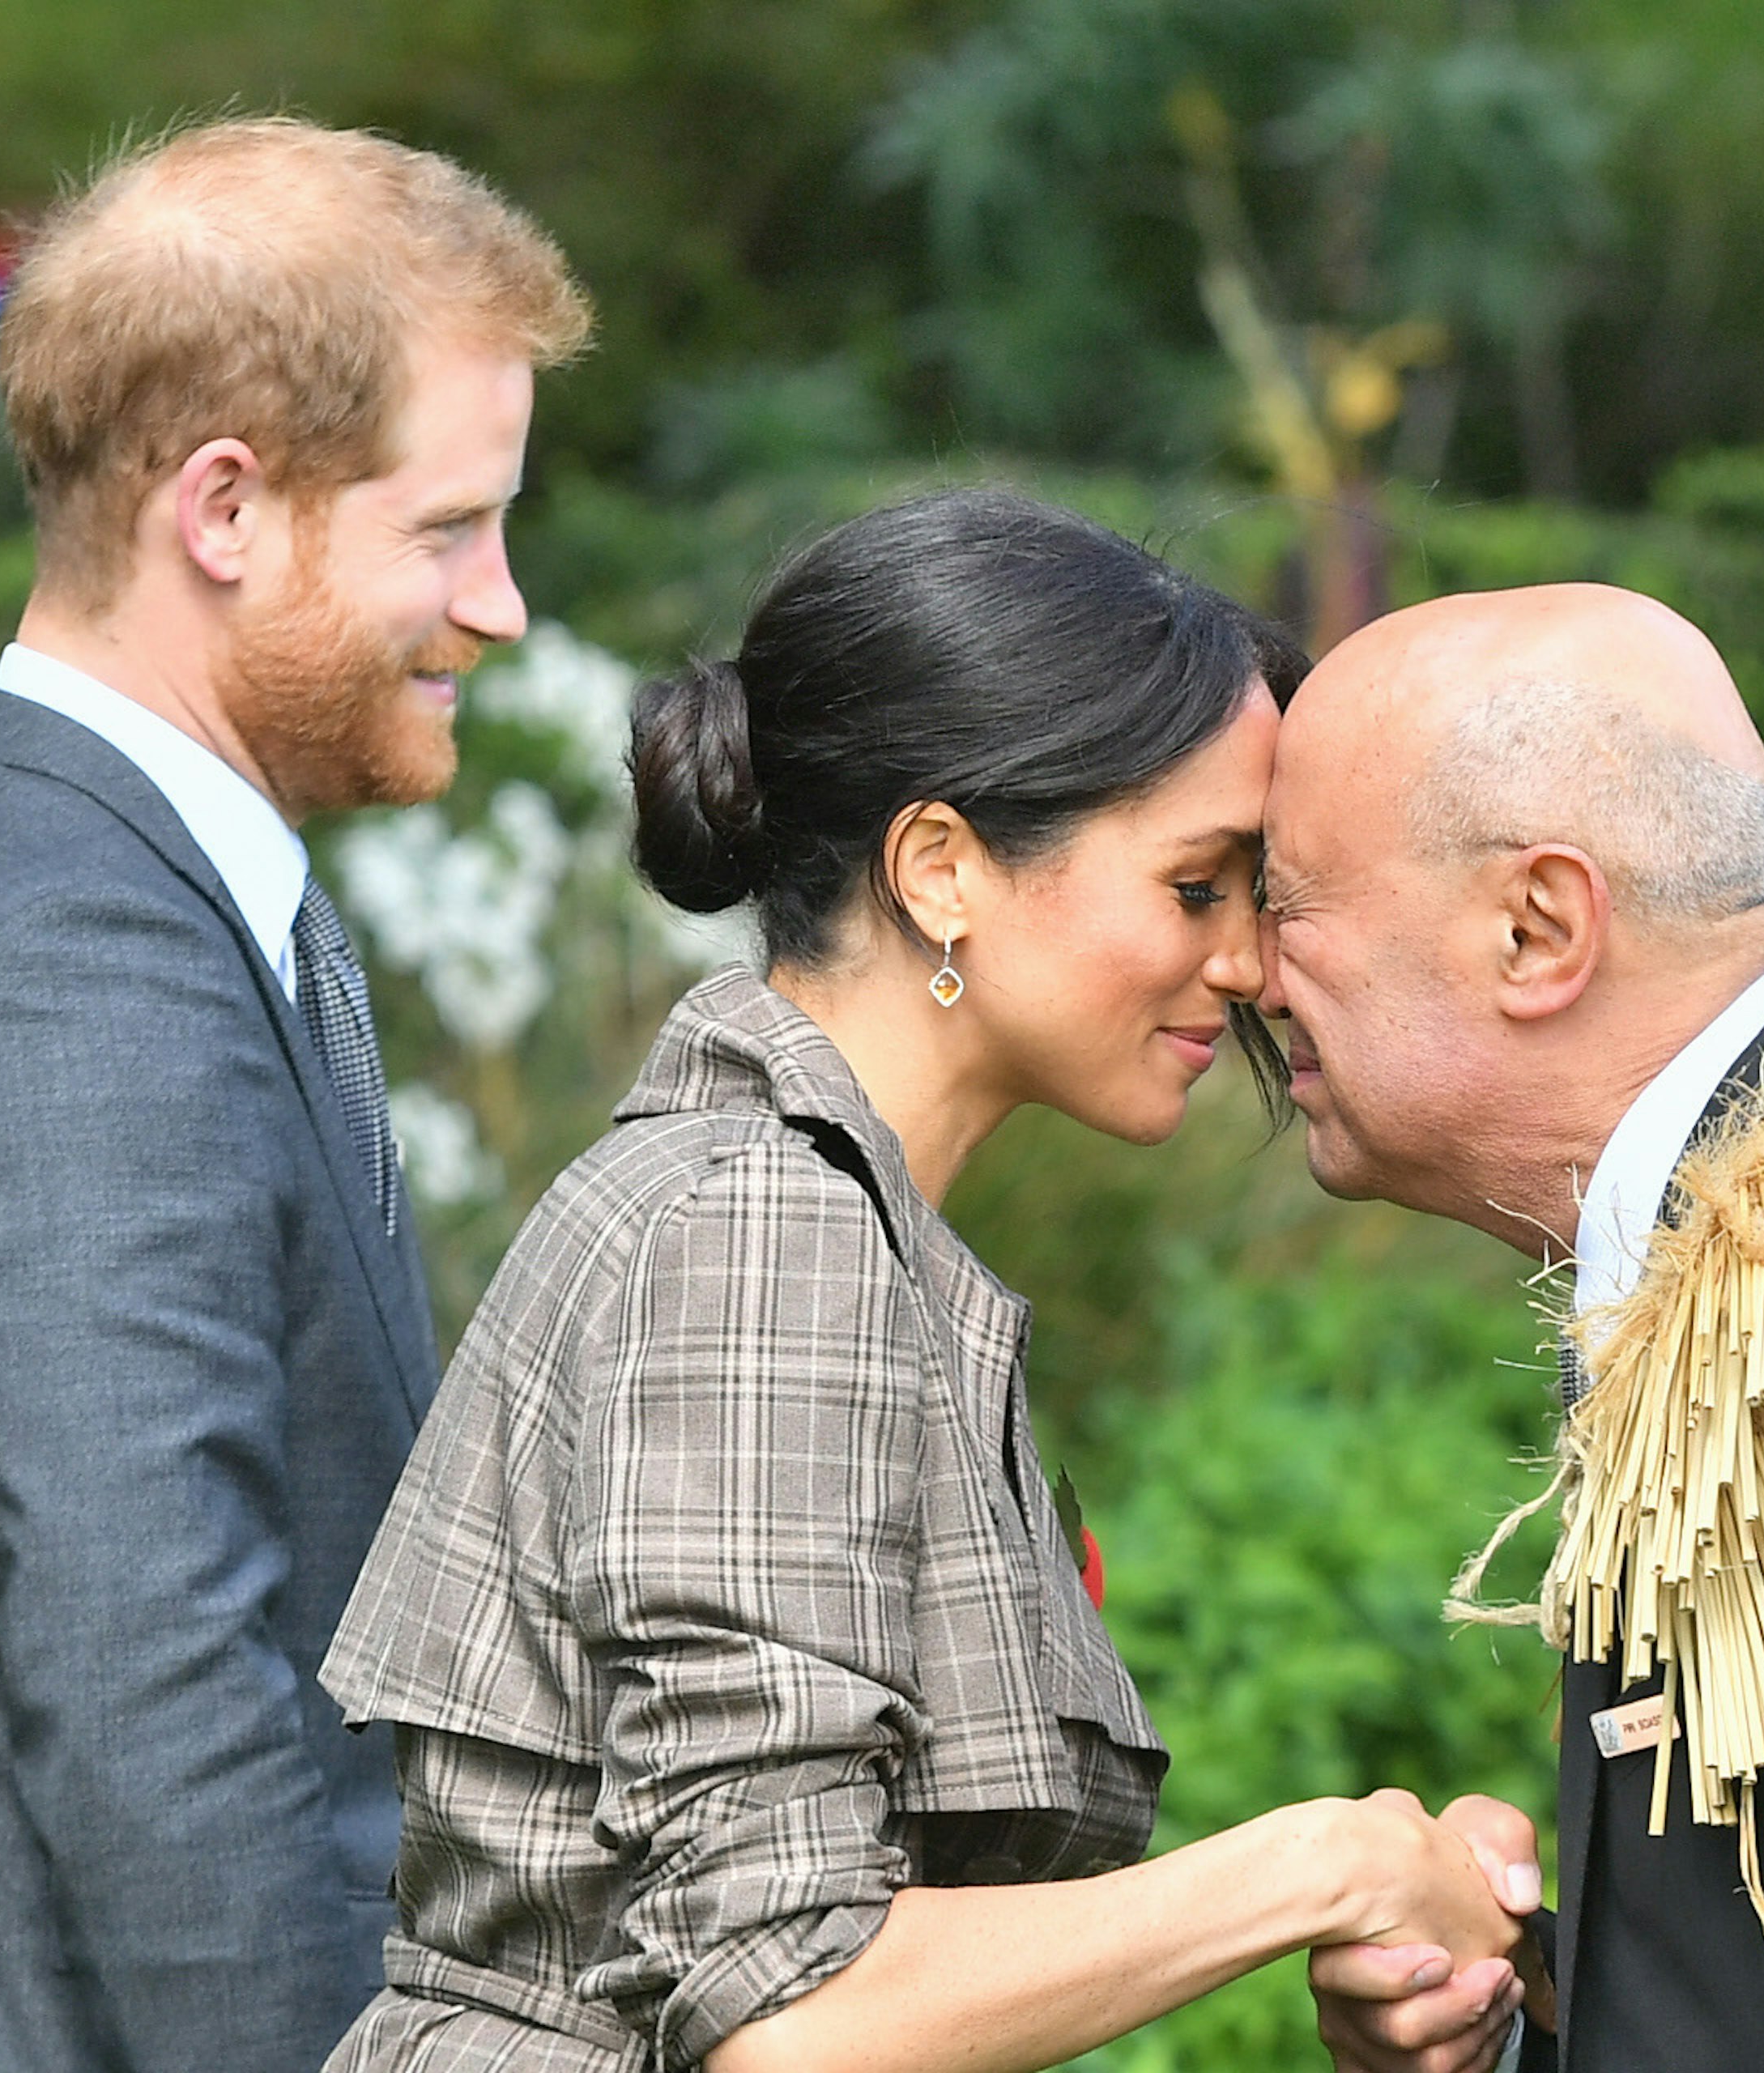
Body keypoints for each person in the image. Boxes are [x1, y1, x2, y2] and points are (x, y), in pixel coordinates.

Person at [320, 487, 1535, 2073]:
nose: (1247, 961)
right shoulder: (759, 1232)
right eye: (1195, 884)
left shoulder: (814, 1212)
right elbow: (790, 2004)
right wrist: (1326, 1864)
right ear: (943, 865)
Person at [0, 118, 590, 2073]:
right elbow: (159, 1701)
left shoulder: (120, 891)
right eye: (447, 527)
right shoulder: (79, 970)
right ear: (225, 509)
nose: (500, 607)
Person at [1262, 584, 1764, 2073]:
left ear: (1539, 929)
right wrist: (1520, 2028)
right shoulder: (1743, 1228)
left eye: (1283, 906)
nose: (1244, 973)